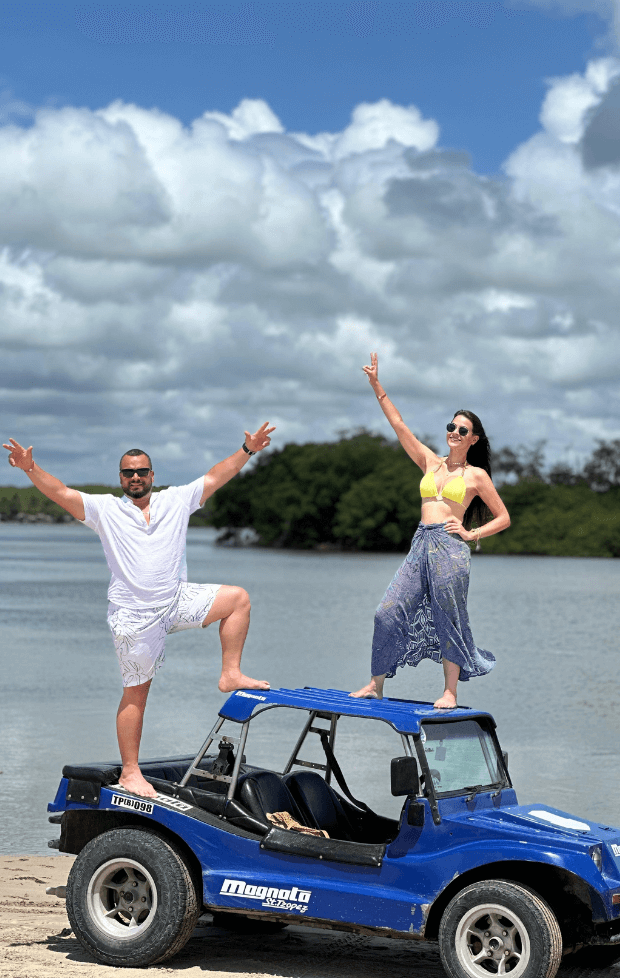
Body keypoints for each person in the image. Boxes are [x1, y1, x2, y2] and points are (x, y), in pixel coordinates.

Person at [3, 425, 274, 797]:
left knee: (237, 599)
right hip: (134, 616)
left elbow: (216, 476)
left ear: (152, 475)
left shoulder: (175, 500)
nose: (135, 477)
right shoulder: (105, 510)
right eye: (128, 472)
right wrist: (30, 469)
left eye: (141, 471)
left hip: (176, 600)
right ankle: (131, 771)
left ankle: (230, 673)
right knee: (136, 693)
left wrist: (248, 448)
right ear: (120, 478)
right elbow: (61, 492)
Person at [350, 353, 510, 708]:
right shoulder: (429, 461)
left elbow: (504, 517)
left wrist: (472, 534)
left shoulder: (476, 476)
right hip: (420, 542)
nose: (454, 433)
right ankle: (376, 684)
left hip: (450, 550)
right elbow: (399, 425)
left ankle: (450, 692)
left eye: (462, 430)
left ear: (474, 439)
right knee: (387, 611)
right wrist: (377, 386)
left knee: (447, 617)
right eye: (451, 427)